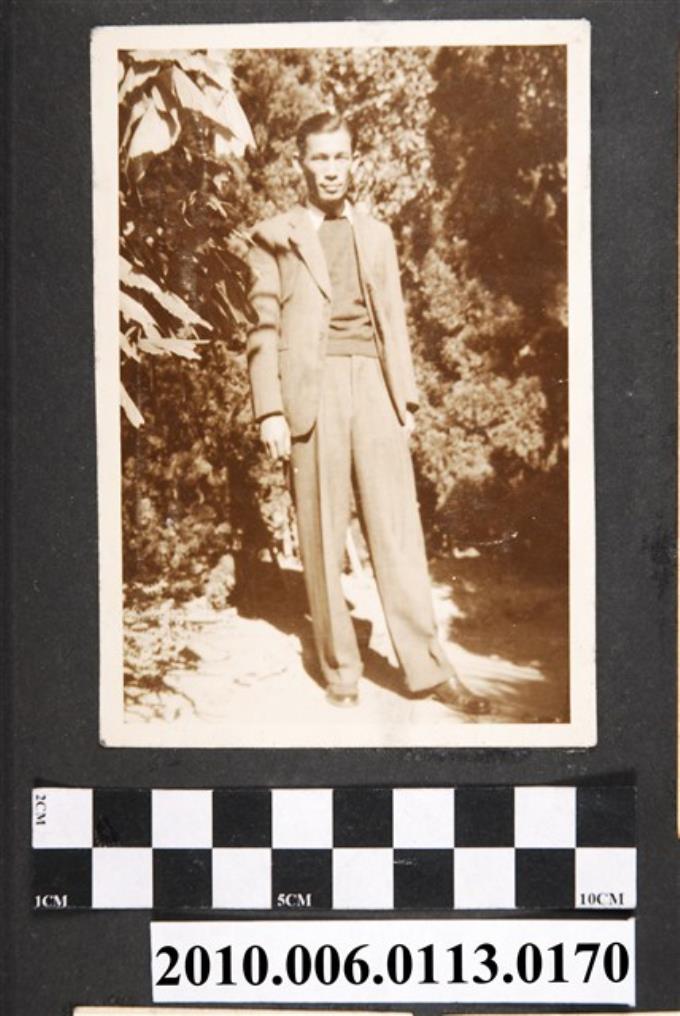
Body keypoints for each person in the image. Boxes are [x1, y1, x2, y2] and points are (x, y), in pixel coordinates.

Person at [246, 111, 489, 716]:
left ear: (353, 162)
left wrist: (405, 399)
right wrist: (269, 410)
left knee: (397, 531)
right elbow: (262, 328)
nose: (331, 170)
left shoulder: (377, 235)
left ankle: (428, 669)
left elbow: (394, 321)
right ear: (301, 163)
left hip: (375, 389)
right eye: (320, 157)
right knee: (322, 534)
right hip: (312, 391)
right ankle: (341, 669)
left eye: (340, 157)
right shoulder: (274, 236)